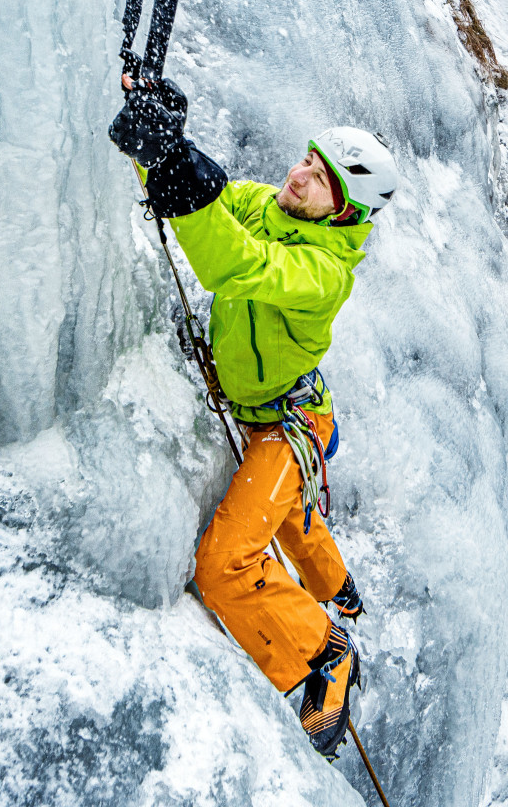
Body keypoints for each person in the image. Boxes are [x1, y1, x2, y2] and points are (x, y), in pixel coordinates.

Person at [108, 72, 397, 758]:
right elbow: (212, 196)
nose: (300, 176)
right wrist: (168, 146)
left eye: (322, 178)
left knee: (227, 562)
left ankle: (324, 651)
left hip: (287, 426)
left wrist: (175, 167)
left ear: (346, 212)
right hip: (272, 410)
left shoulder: (323, 273)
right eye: (307, 160)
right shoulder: (271, 204)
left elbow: (233, 266)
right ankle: (336, 584)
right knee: (289, 509)